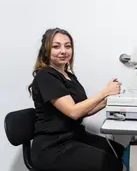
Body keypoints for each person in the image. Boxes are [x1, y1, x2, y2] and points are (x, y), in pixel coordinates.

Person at [28, 28, 125, 171]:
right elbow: (74, 112)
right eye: (56, 46)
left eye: (68, 46)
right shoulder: (45, 76)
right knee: (110, 164)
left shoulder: (69, 76)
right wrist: (105, 92)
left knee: (119, 151)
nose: (63, 51)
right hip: (52, 146)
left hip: (74, 136)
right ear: (46, 50)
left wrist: (109, 100)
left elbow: (83, 110)